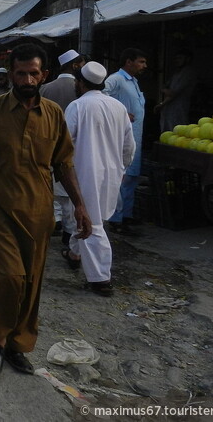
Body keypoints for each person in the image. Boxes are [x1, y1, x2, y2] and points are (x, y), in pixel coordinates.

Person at [0, 43, 91, 376]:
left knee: (32, 282)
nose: (27, 79)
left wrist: (79, 205)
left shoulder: (54, 114)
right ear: (12, 75)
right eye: (21, 73)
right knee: (10, 277)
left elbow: (64, 163)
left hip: (38, 210)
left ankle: (19, 343)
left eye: (34, 73)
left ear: (43, 74)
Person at [64, 62, 135, 296]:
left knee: (91, 223)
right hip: (112, 173)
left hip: (85, 172)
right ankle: (75, 254)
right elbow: (128, 146)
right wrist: (122, 168)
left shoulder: (77, 106)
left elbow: (65, 144)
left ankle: (101, 278)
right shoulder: (118, 107)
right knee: (92, 218)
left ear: (81, 83)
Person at [40, 49, 86, 242]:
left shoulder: (46, 88)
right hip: (75, 146)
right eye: (81, 64)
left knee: (53, 186)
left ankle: (56, 219)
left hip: (48, 144)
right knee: (69, 190)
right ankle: (69, 231)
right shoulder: (81, 88)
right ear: (75, 65)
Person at [104, 48, 148, 235]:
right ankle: (116, 219)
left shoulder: (133, 82)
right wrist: (119, 111)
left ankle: (126, 215)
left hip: (135, 137)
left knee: (131, 178)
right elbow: (101, 96)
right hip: (121, 138)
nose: (144, 66)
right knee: (121, 179)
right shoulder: (116, 79)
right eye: (141, 61)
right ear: (128, 62)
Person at [155, 50, 197, 132]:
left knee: (177, 131)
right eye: (176, 58)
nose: (177, 60)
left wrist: (161, 103)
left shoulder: (187, 73)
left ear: (187, 59)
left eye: (180, 58)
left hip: (179, 108)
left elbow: (173, 93)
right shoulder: (177, 73)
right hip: (169, 108)